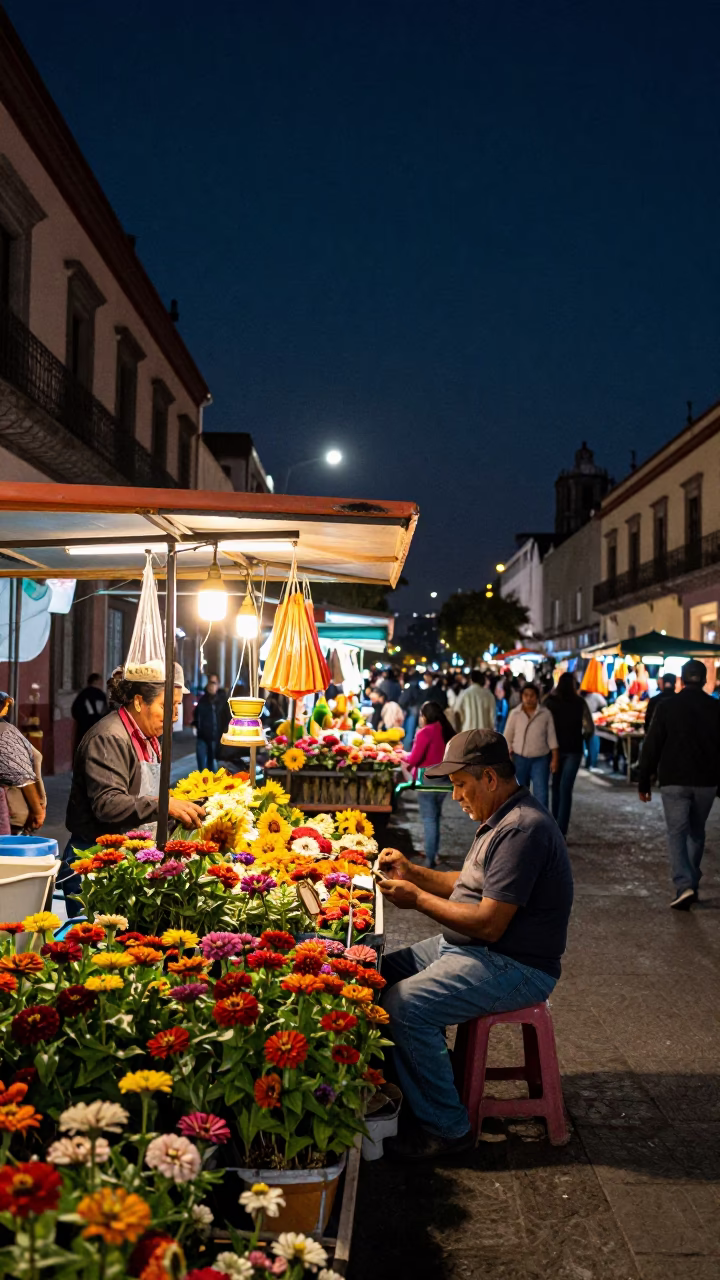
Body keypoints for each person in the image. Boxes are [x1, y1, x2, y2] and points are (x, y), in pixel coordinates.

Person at [377, 729, 573, 1161]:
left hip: (514, 964)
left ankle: (447, 1128)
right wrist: (412, 872)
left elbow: (488, 924)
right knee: (372, 973)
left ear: (489, 778)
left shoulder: (523, 829)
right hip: (469, 949)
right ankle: (425, 1082)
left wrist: (417, 900)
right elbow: (465, 885)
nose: (456, 797)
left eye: (460, 785)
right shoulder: (499, 817)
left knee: (403, 1007)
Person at [63, 664, 204, 917]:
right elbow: (108, 803)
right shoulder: (110, 737)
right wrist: (164, 805)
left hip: (126, 858)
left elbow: (142, 792)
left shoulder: (147, 736)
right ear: (139, 702)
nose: (173, 715)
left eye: (178, 706)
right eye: (166, 705)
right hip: (94, 863)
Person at [638, 659, 720, 910]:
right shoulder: (716, 708)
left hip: (674, 779)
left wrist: (644, 780)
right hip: (706, 781)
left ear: (682, 681)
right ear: (706, 680)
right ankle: (691, 881)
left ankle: (684, 884)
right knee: (696, 830)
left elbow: (652, 745)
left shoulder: (666, 707)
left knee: (676, 832)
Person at [401, 701, 455, 867]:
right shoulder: (446, 730)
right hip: (444, 780)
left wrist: (401, 755)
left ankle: (430, 859)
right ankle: (434, 853)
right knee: (436, 817)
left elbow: (415, 759)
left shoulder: (425, 732)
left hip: (427, 781)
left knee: (429, 820)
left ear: (425, 716)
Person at [544, 673, 594, 836]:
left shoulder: (549, 702)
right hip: (574, 748)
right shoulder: (580, 702)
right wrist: (582, 737)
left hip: (554, 749)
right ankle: (561, 831)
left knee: (556, 787)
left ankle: (553, 827)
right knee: (566, 789)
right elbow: (589, 728)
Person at [504, 683, 558, 808]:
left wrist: (555, 758)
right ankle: (520, 823)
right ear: (522, 696)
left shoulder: (545, 714)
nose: (529, 698)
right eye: (526, 695)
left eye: (532, 695)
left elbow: (552, 737)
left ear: (537, 697)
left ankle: (542, 824)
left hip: (541, 759)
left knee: (541, 794)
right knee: (518, 794)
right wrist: (507, 756)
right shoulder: (515, 713)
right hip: (519, 758)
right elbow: (507, 736)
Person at [0, 692, 46, 836]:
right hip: (16, 812)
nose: (7, 709)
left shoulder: (6, 728)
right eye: (5, 706)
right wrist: (37, 810)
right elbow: (21, 777)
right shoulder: (5, 733)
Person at [193, 674, 230, 772]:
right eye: (210, 682)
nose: (211, 685)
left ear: (218, 684)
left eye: (214, 683)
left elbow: (227, 719)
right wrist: (196, 726)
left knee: (213, 766)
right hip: (202, 737)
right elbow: (197, 715)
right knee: (201, 767)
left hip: (216, 738)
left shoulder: (222, 701)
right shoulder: (203, 700)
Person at [71, 673, 108, 746]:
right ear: (96, 681)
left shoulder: (82, 694)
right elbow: (104, 712)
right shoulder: (101, 695)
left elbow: (74, 711)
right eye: (100, 681)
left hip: (83, 729)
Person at [580, 688, 607, 770]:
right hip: (589, 723)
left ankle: (590, 763)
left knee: (590, 743)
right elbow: (604, 705)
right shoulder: (595, 696)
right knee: (592, 743)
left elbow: (604, 705)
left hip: (591, 722)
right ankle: (591, 763)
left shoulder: (594, 696)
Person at [400, 667, 424, 748]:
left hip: (411, 709)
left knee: (408, 731)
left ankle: (406, 750)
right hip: (417, 708)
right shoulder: (419, 685)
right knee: (412, 731)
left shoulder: (411, 685)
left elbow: (403, 700)